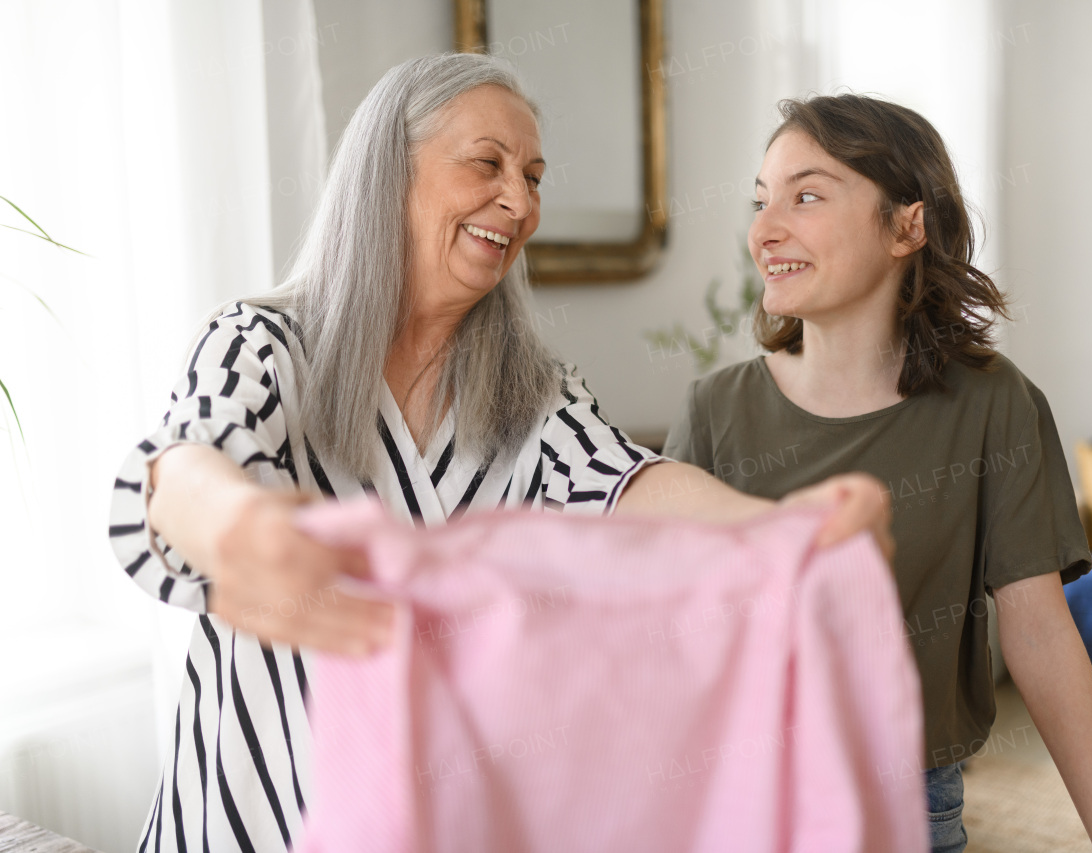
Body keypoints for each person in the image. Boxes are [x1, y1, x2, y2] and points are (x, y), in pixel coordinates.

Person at [107, 55, 891, 853]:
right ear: (388, 174)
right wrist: (240, 525)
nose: (520, 202)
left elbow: (630, 483)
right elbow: (180, 467)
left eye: (534, 176)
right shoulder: (258, 344)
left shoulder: (535, 394)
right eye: (487, 163)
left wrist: (781, 527)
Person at [662, 93, 1092, 853]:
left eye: (808, 195)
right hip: (735, 800)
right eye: (761, 201)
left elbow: (1042, 636)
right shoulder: (715, 409)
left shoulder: (995, 404)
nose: (765, 230)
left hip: (908, 804)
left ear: (906, 225)